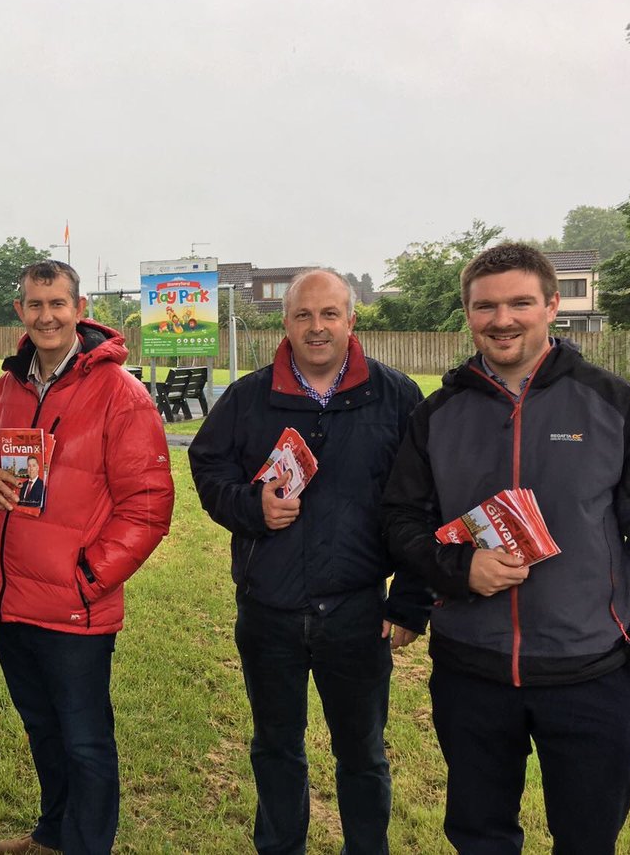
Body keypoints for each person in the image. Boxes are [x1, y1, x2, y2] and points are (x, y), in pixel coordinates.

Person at [382, 243, 630, 854]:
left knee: (587, 840)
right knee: (480, 837)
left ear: (552, 306)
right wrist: (457, 569)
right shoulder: (437, 414)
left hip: (593, 673)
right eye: (486, 306)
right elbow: (400, 518)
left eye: (520, 303)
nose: (502, 319)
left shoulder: (616, 404)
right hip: (472, 670)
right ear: (468, 314)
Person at [188, 268, 429, 855]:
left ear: (351, 320)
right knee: (275, 747)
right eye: (303, 315)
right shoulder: (248, 397)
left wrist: (410, 600)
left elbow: (425, 501)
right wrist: (251, 505)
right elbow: (208, 468)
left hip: (357, 611)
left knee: (362, 753)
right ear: (286, 322)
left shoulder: (396, 397)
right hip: (269, 609)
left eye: (329, 314)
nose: (316, 327)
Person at [0, 260, 174, 855]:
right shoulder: (4, 390)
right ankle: (52, 836)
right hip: (8, 600)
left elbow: (149, 507)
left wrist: (86, 578)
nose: (46, 315)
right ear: (20, 311)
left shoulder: (121, 395)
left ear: (79, 309)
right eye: (35, 304)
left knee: (85, 743)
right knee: (43, 732)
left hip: (74, 606)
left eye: (57, 303)